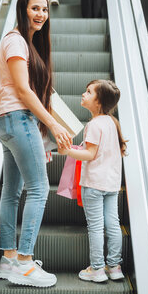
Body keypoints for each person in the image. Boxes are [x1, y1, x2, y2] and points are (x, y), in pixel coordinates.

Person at [0, 0, 72, 288]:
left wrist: (39, 138)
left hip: (8, 122)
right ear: (23, 9)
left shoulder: (25, 43)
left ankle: (9, 259)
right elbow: (24, 92)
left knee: (12, 192)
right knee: (39, 189)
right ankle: (25, 263)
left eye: (44, 9)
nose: (40, 14)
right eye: (35, 8)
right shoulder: (15, 41)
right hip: (17, 119)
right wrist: (52, 125)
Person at [58, 79, 127, 282]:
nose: (83, 94)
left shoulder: (94, 125)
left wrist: (66, 150)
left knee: (96, 227)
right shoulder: (113, 123)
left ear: (99, 102)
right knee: (113, 224)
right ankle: (114, 267)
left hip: (93, 184)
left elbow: (90, 154)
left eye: (88, 92)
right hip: (111, 184)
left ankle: (97, 269)